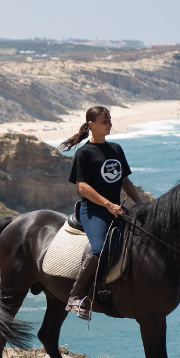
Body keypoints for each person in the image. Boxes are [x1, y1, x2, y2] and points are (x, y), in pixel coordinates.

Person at [59, 105, 142, 320]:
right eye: (104, 121)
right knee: (99, 249)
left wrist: (141, 204)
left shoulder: (116, 149)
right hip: (93, 210)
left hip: (116, 208)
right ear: (91, 125)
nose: (109, 125)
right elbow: (82, 187)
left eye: (110, 120)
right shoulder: (83, 154)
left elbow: (125, 180)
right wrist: (108, 204)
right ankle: (76, 296)